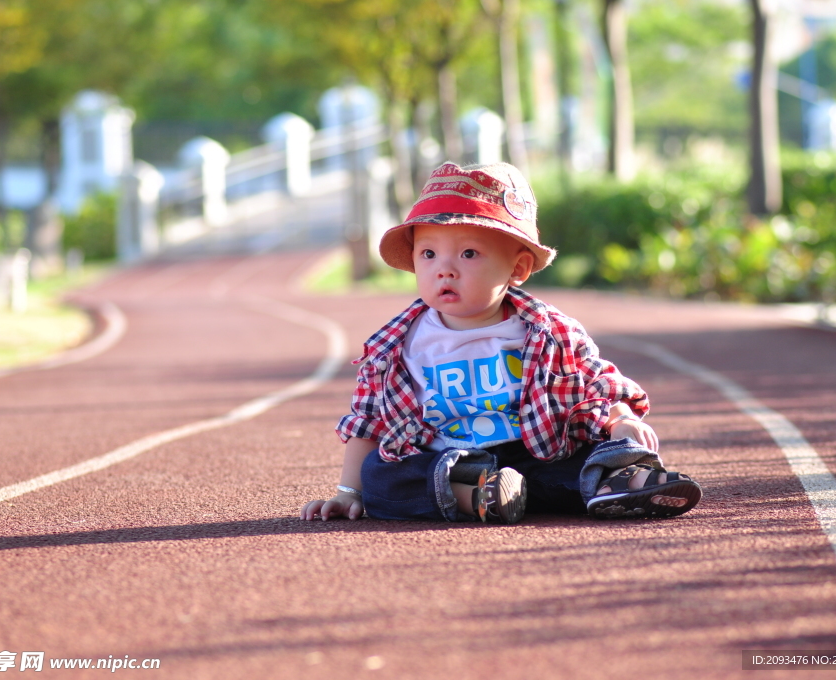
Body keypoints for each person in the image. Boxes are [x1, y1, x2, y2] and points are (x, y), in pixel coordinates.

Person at [300, 162, 701, 524]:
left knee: (581, 460)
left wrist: (620, 419)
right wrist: (346, 493)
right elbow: (369, 420)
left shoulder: (548, 331)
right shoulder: (395, 346)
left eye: (469, 253)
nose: (445, 270)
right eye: (428, 254)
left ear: (518, 267)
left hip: (540, 454)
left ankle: (625, 481)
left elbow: (593, 382)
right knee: (380, 478)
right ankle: (479, 494)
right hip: (450, 462)